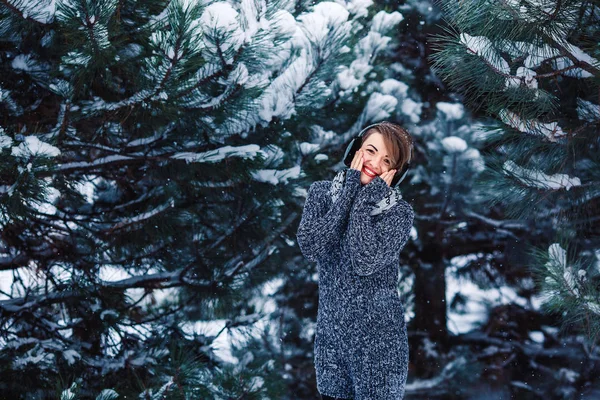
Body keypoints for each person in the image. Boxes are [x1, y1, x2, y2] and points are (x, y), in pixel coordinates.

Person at [296, 122, 415, 400]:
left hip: (380, 349)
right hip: (330, 344)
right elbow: (312, 246)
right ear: (354, 150)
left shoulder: (398, 213)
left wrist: (363, 205)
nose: (375, 163)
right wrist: (348, 193)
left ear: (396, 173)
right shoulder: (321, 194)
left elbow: (365, 260)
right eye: (370, 151)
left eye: (387, 161)